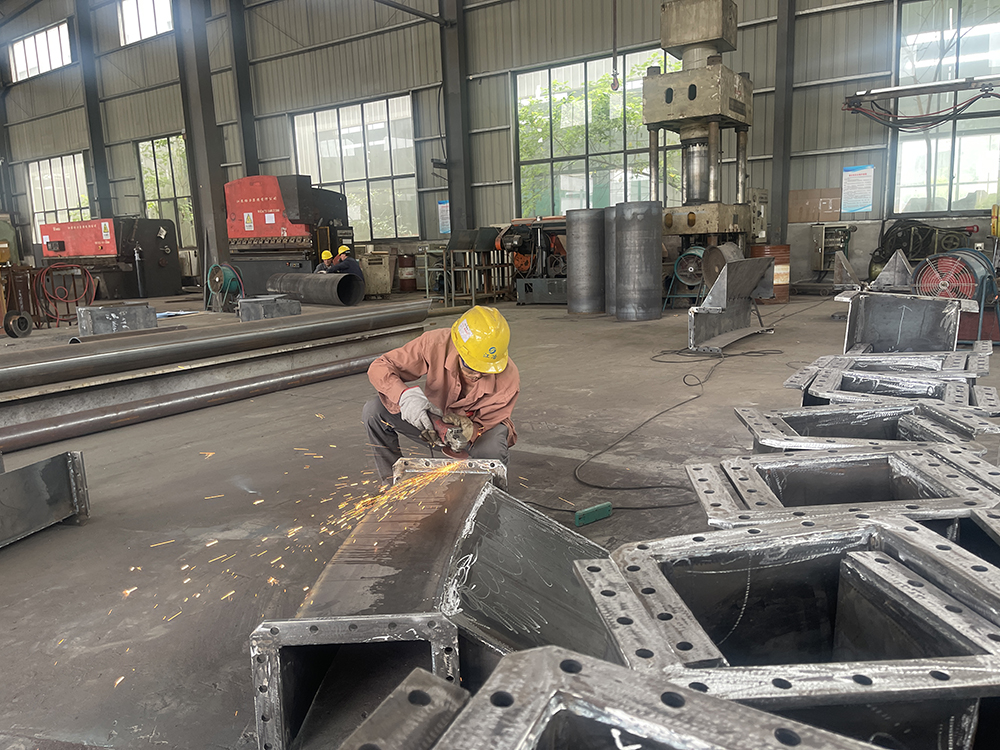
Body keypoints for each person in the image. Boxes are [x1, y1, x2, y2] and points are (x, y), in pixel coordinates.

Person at [364, 306, 519, 480]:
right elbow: (380, 366)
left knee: (492, 449)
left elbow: (488, 424)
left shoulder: (508, 379)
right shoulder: (435, 344)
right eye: (471, 366)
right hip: (433, 422)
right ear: (459, 348)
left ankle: (491, 492)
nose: (477, 375)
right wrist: (404, 396)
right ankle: (392, 484)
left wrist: (471, 430)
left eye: (485, 370)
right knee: (374, 411)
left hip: (473, 435)